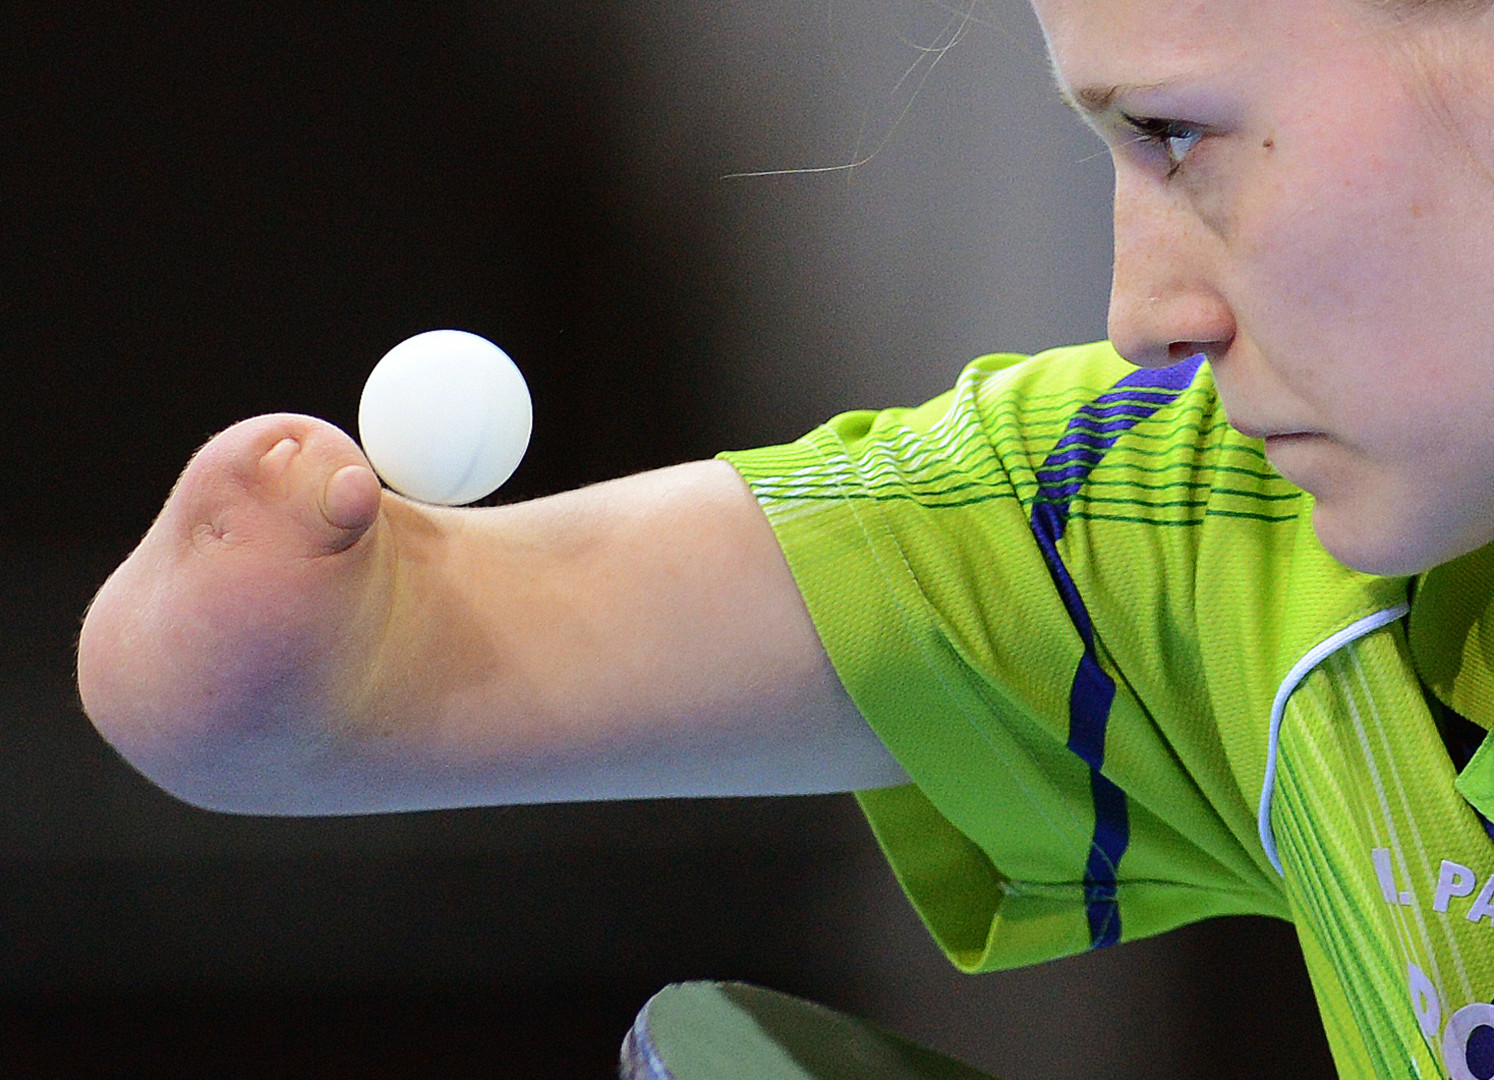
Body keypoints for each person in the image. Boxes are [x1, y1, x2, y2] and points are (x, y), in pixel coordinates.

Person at [74, 0, 1494, 1074]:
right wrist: (269, 671)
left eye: (1173, 134)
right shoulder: (1212, 529)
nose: (1143, 310)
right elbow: (387, 670)